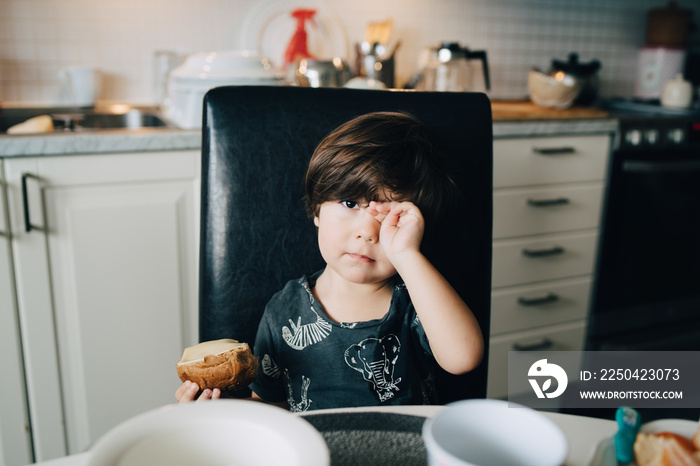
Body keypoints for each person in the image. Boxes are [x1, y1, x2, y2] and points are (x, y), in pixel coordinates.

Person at [175, 111, 484, 410]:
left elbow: (463, 358)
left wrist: (406, 254)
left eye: (392, 215)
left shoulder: (418, 299)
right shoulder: (283, 311)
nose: (367, 232)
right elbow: (272, 405)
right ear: (316, 210)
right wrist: (225, 408)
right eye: (350, 203)